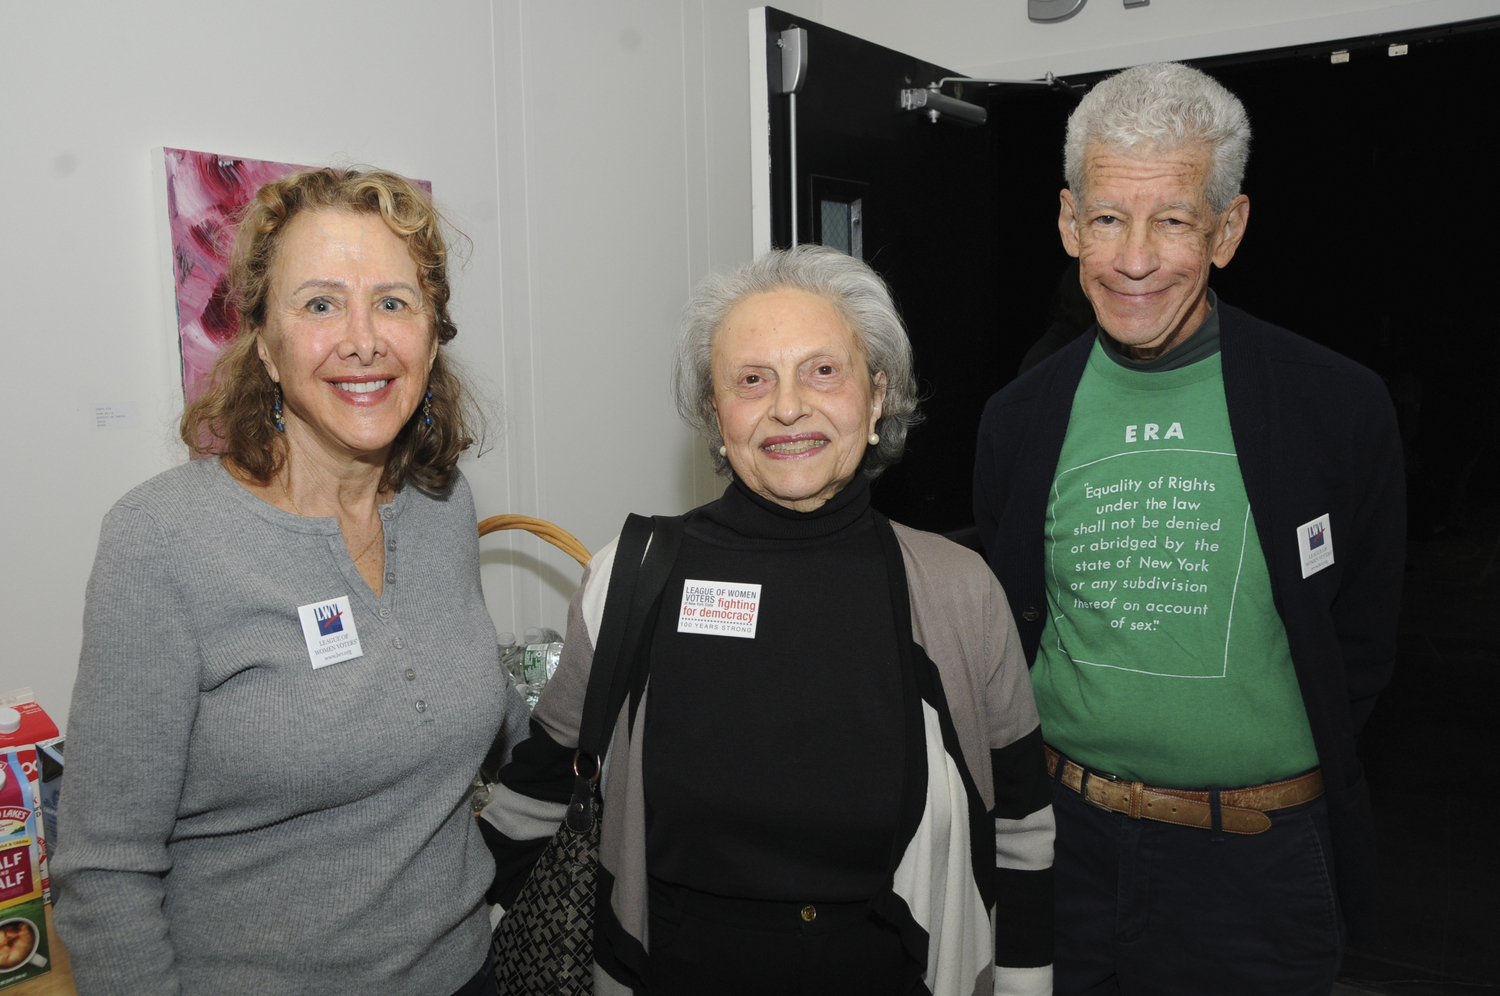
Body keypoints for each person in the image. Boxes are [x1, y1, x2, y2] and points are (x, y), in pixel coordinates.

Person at [482, 246, 1055, 996]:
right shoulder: (633, 573)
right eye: (752, 380)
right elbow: (537, 793)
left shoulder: (958, 592)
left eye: (824, 371)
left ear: (877, 395)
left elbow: (1020, 829)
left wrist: (1023, 986)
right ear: (716, 416)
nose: (789, 407)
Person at [973, 63, 1405, 995]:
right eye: (1106, 219)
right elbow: (1009, 626)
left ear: (1228, 230)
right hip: (1059, 846)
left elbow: (1362, 646)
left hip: (1255, 868)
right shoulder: (1019, 417)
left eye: (1171, 220)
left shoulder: (1336, 406)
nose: (1134, 259)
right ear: (1066, 221)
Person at [54, 167, 529, 996]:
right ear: (265, 346)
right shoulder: (163, 541)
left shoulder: (443, 506)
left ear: (431, 332)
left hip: (467, 973)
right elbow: (104, 871)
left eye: (393, 301)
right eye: (319, 304)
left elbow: (467, 705)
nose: (363, 339)